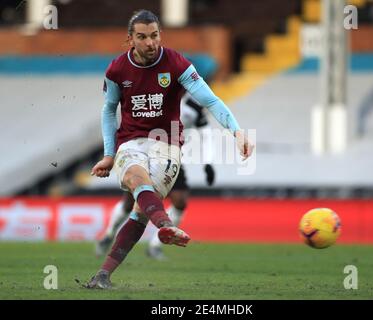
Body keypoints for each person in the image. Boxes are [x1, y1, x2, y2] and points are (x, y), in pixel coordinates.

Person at [86, 9, 254, 289]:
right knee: (136, 177)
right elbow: (109, 110)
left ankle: (102, 276)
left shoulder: (176, 64)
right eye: (142, 37)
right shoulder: (117, 70)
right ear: (130, 39)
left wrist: (237, 131)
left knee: (140, 213)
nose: (150, 43)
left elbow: (210, 101)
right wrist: (108, 153)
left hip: (168, 146)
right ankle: (165, 225)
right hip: (130, 141)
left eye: (154, 36)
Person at [95, 92, 216, 260]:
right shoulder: (154, 97)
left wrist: (208, 163)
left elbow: (206, 133)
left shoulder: (193, 108)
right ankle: (109, 234)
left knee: (180, 201)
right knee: (130, 202)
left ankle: (154, 246)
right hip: (143, 154)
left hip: (170, 157)